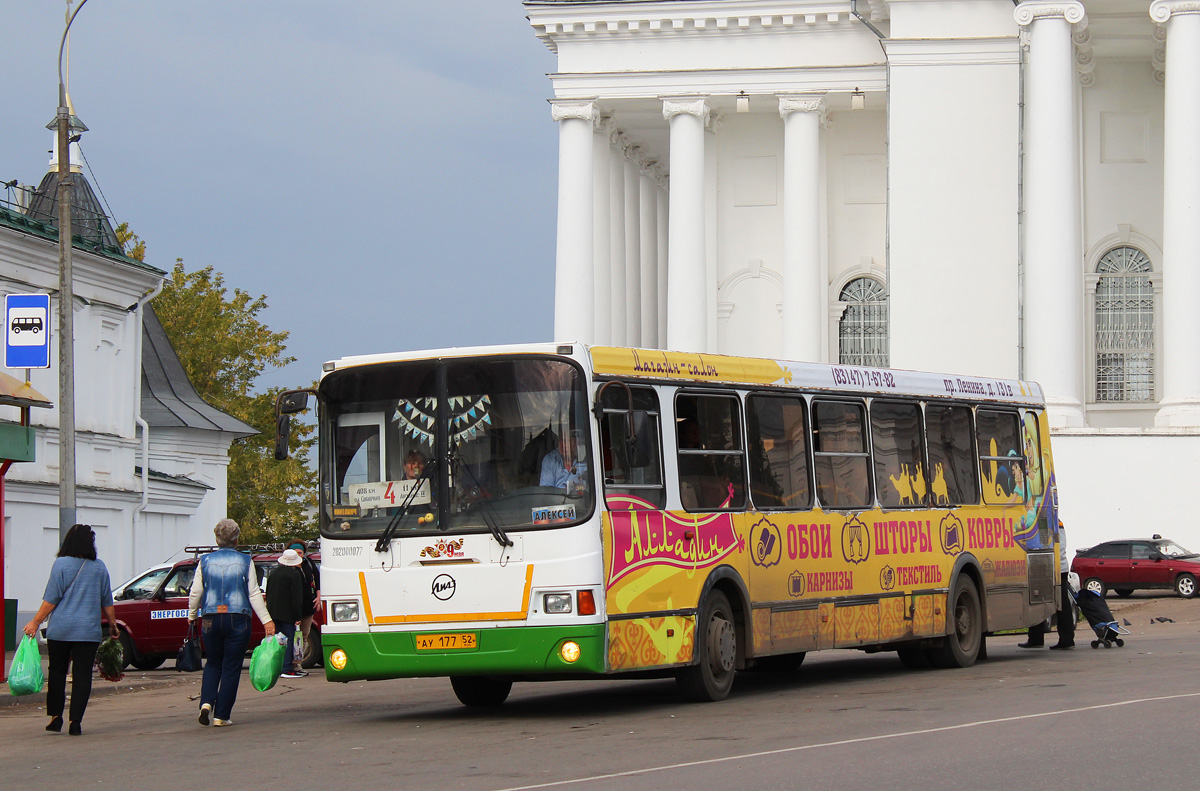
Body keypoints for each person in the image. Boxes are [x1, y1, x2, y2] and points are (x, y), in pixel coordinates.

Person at [23, 524, 119, 736]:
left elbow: (51, 598)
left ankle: (56, 718)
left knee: (57, 671)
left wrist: (35, 621)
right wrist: (112, 624)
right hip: (88, 631)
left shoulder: (61, 564)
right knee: (82, 675)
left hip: (61, 630)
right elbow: (107, 600)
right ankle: (75, 722)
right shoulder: (99, 567)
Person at [187, 518, 275, 727]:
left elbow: (196, 592)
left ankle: (206, 703)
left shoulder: (205, 561)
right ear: (237, 539)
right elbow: (253, 593)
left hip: (210, 617)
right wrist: (267, 621)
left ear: (216, 539)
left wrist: (192, 615)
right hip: (238, 618)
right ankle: (221, 715)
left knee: (213, 663)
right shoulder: (246, 561)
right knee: (232, 666)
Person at [1019, 520, 1076, 650]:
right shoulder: (1057, 521)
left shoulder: (1044, 522)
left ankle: (1038, 638)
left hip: (1047, 565)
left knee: (1037, 600)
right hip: (1059, 566)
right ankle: (1065, 638)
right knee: (1061, 603)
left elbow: (1042, 544)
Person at [266, 549, 306, 679]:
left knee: (276, 640)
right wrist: (297, 616)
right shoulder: (294, 575)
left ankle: (274, 667)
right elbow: (296, 597)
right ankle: (287, 668)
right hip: (287, 613)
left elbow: (268, 593)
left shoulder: (274, 573)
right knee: (288, 640)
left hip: (273, 612)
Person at [288, 541, 320, 666]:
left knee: (304, 635)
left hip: (308, 606)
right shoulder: (288, 566)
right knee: (291, 636)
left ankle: (298, 663)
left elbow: (317, 578)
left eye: (300, 553)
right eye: (294, 553)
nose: (298, 555)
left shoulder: (309, 564)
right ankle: (288, 663)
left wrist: (318, 595)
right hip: (292, 607)